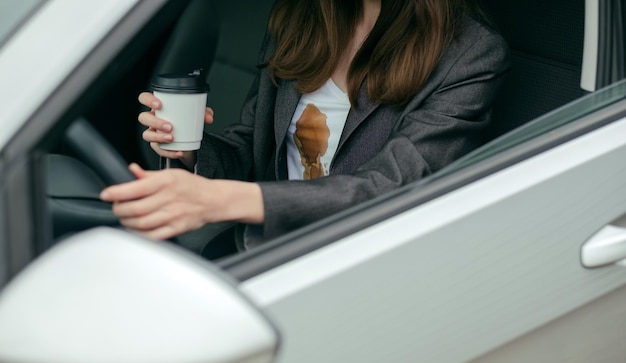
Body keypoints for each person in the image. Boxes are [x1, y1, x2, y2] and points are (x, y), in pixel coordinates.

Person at [100, 0, 510, 253]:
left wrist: (220, 199)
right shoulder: (298, 19)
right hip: (261, 245)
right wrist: (191, 153)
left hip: (358, 261)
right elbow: (251, 145)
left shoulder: (470, 54)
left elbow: (393, 186)